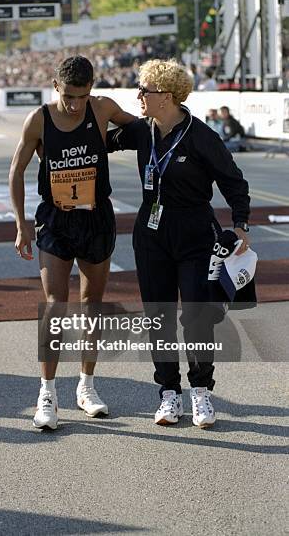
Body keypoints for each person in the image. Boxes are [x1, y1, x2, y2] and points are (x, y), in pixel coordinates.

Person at [107, 59, 250, 428]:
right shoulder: (141, 131)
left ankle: (201, 392)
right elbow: (101, 143)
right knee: (159, 315)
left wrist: (241, 224)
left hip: (196, 233)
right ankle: (169, 394)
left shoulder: (201, 136)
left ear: (166, 96)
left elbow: (234, 182)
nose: (139, 96)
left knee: (197, 315)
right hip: (151, 233)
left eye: (145, 91)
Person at [9, 55, 135, 430]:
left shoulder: (102, 109)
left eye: (82, 96)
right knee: (54, 304)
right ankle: (47, 393)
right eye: (68, 96)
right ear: (55, 86)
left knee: (92, 303)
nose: (74, 104)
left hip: (96, 218)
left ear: (91, 90)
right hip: (56, 219)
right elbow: (16, 171)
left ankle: (87, 386)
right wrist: (21, 225)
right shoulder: (39, 120)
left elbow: (146, 130)